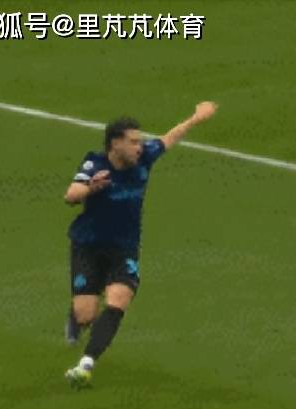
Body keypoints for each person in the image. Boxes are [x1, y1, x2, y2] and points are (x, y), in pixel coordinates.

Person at [63, 101, 218, 388]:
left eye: (140, 141)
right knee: (86, 314)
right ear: (115, 144)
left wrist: (196, 117)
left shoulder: (145, 157)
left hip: (123, 248)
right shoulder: (96, 164)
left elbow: (169, 137)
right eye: (133, 142)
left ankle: (85, 365)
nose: (140, 146)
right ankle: (75, 316)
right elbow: (71, 195)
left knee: (118, 300)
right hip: (88, 246)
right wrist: (92, 187)